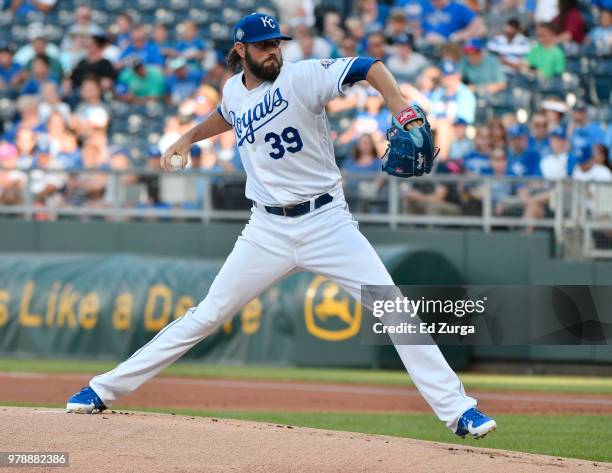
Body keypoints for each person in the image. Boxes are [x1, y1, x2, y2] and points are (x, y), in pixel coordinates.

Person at [66, 12, 496, 441]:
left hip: (327, 221)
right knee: (206, 315)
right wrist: (187, 138)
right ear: (241, 51)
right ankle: (103, 389)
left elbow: (370, 66)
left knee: (394, 311)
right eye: (263, 45)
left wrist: (400, 107)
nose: (273, 50)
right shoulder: (233, 90)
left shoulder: (302, 76)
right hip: (266, 230)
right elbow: (226, 113)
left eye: (277, 43)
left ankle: (460, 411)